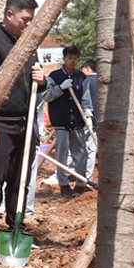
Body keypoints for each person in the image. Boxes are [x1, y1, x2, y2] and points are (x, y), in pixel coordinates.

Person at [0, 0, 45, 257]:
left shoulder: (28, 44)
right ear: (9, 14)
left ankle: (15, 229)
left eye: (32, 20)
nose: (29, 24)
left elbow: (35, 81)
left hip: (25, 125)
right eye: (25, 19)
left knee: (20, 181)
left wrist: (42, 79)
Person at [41, 46, 91, 194]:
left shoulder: (81, 77)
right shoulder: (54, 76)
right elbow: (46, 96)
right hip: (61, 121)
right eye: (70, 58)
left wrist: (87, 114)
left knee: (82, 153)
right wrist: (60, 88)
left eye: (75, 58)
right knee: (62, 154)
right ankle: (63, 184)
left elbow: (86, 99)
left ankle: (81, 184)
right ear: (64, 58)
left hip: (77, 122)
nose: (72, 61)